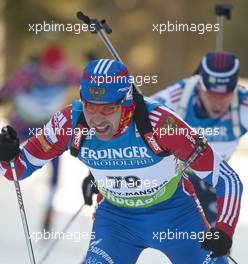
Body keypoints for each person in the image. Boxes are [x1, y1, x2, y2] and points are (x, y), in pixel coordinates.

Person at [0, 59, 243, 264]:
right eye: (90, 106)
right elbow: (17, 169)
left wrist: (224, 230)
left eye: (107, 109)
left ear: (126, 104)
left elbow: (227, 179)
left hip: (176, 218)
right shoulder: (69, 122)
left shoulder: (161, 125)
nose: (96, 119)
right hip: (116, 223)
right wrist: (6, 155)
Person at [152, 51, 248, 226]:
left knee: (216, 238)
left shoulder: (243, 104)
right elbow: (136, 124)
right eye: (212, 94)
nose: (218, 102)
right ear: (199, 85)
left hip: (213, 177)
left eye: (226, 95)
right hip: (174, 179)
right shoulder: (176, 98)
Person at [0, 43, 80, 232]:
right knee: (6, 158)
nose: (54, 74)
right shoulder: (28, 76)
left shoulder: (66, 75)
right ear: (42, 65)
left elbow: (92, 82)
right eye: (50, 69)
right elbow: (5, 91)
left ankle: (49, 211)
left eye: (58, 69)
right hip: (20, 126)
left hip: (46, 128)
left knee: (55, 168)